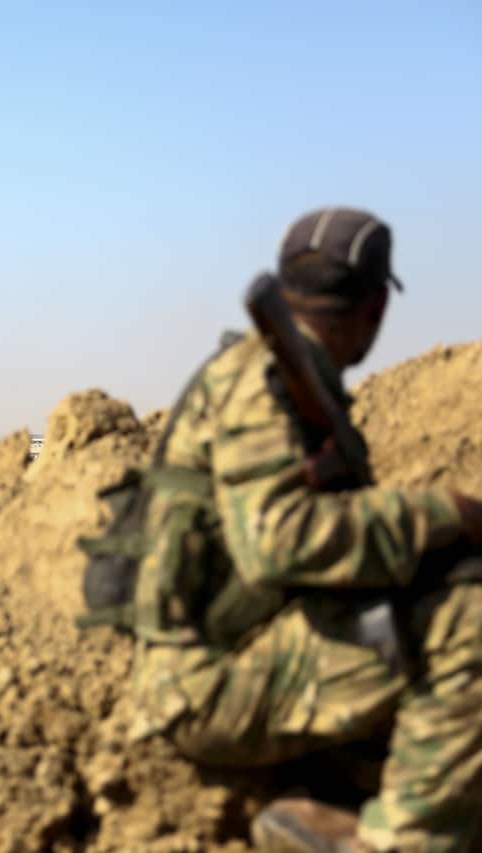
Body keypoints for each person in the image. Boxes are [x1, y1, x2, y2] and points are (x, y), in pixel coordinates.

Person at [127, 207, 482, 852]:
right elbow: (277, 540)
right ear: (375, 307)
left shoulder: (291, 374)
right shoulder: (262, 380)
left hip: (244, 645)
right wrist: (443, 515)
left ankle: (339, 800)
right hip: (204, 683)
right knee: (472, 617)